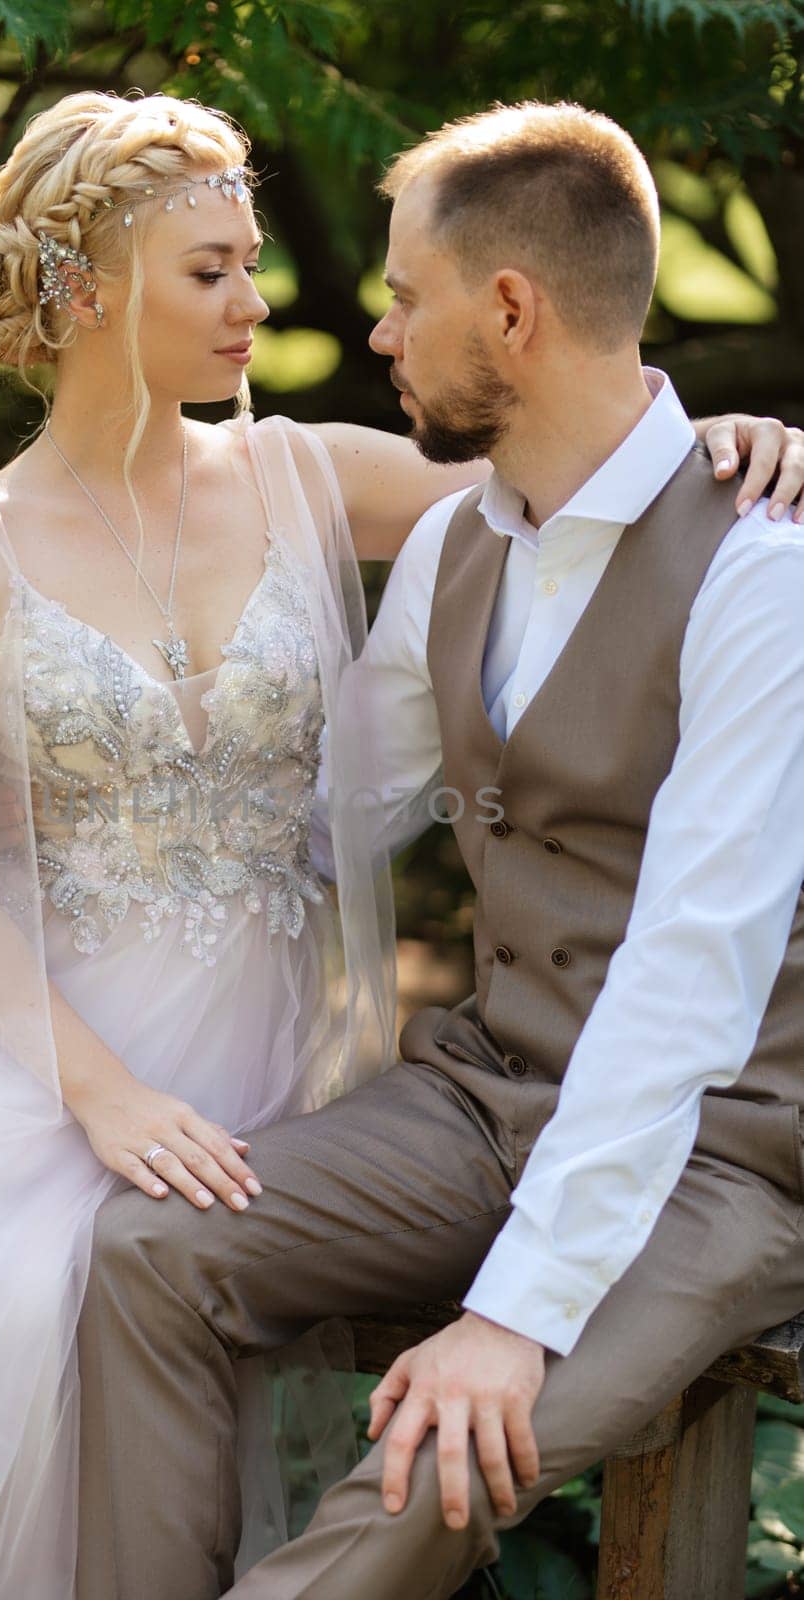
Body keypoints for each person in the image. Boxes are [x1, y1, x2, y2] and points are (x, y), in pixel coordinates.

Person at [0, 88, 793, 1600]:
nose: (277, 308)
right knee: (5, 1269)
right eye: (213, 271)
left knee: (353, 1377)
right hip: (131, 1035)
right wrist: (101, 1084)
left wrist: (733, 444)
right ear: (90, 292)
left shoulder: (345, 484)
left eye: (263, 267)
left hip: (554, 1096)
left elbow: (583, 470)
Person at [74, 101, 804, 1600]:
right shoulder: (468, 540)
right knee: (150, 1254)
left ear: (513, 311)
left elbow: (686, 985)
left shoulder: (760, 573)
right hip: (481, 1102)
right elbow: (325, 805)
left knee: (445, 1442)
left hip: (720, 1160)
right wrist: (87, 736)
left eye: (407, 299)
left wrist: (514, 1316)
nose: (380, 332)